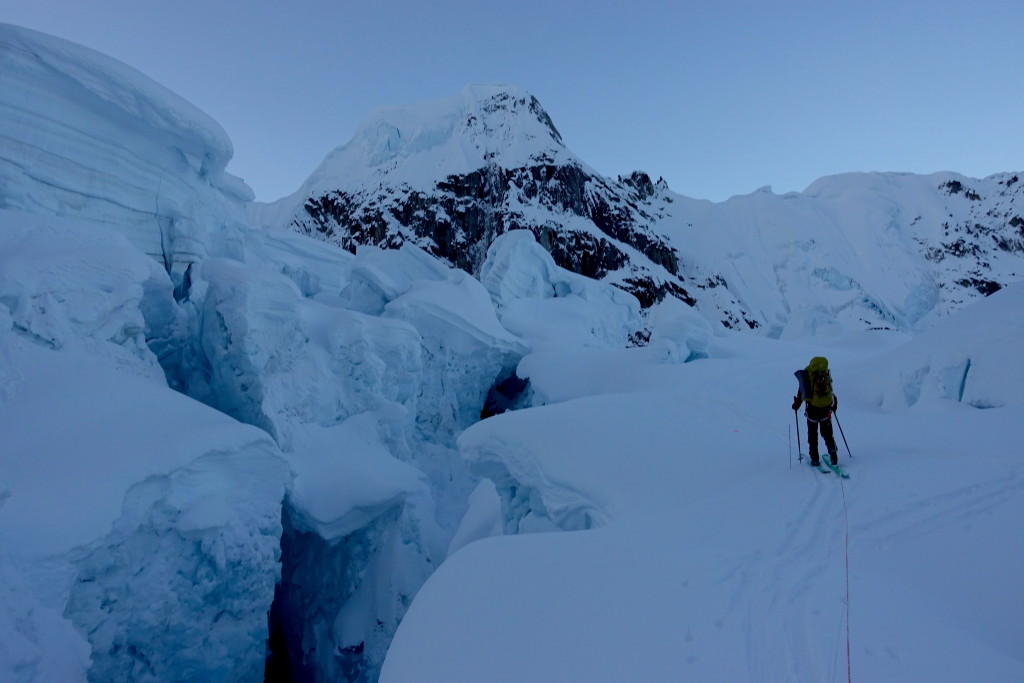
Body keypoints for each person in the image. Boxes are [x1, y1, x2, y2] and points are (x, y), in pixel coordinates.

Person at [792, 356, 839, 466]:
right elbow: (830, 391)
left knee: (812, 435)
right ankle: (833, 454)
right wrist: (833, 405)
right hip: (826, 409)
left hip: (812, 409)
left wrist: (796, 404)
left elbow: (802, 392)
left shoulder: (808, 374)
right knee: (827, 433)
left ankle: (815, 458)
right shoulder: (825, 374)